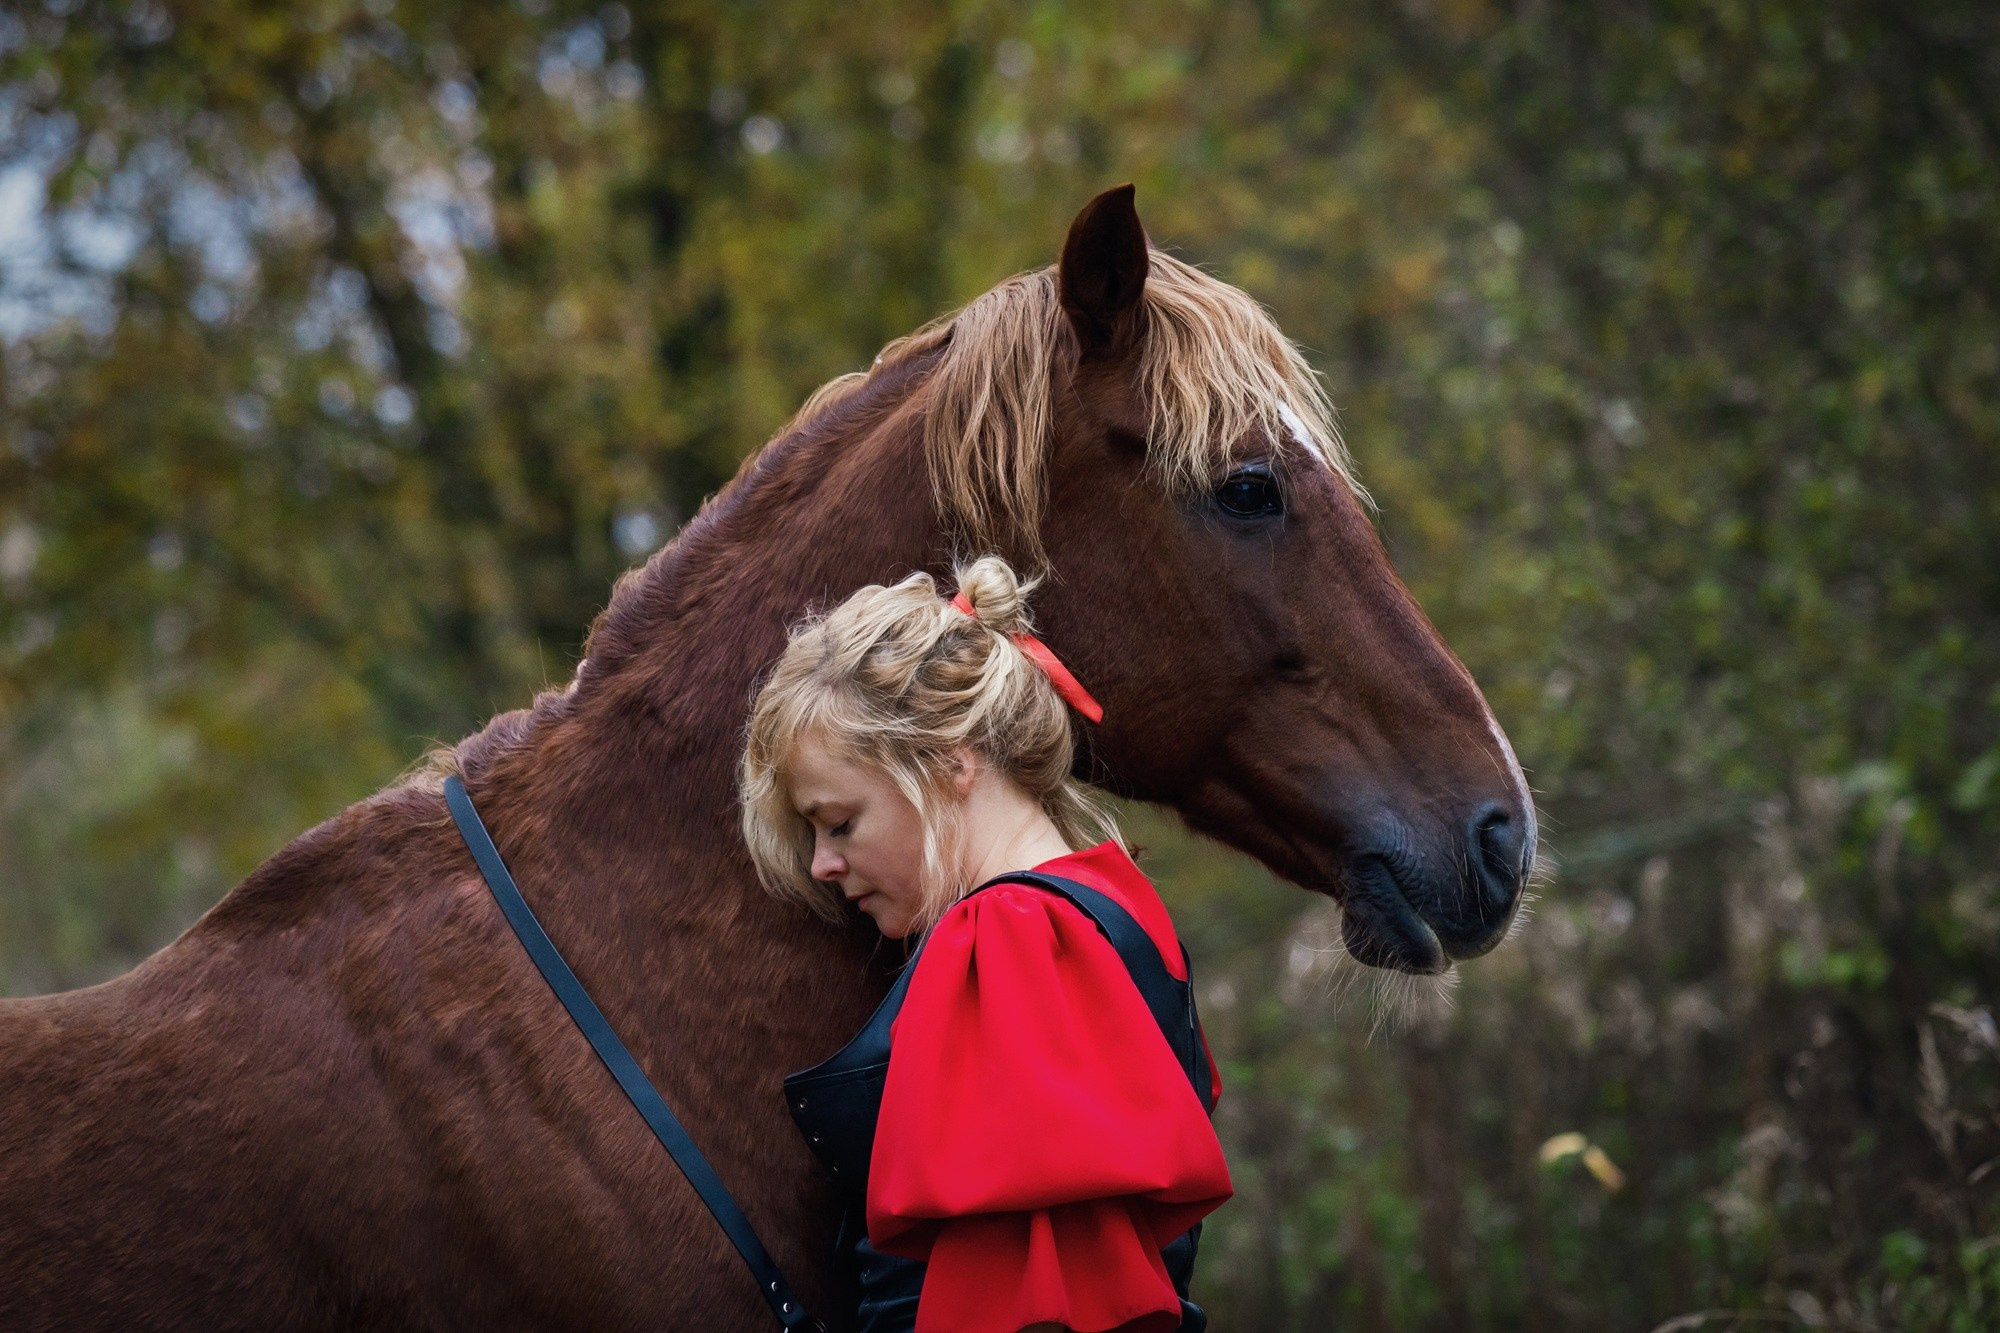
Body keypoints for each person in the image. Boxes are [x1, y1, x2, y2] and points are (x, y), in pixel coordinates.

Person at [739, 554, 1232, 1333]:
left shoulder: (1006, 939)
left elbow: (1022, 1301)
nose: (822, 864)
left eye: (840, 821)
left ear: (948, 764)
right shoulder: (1113, 902)